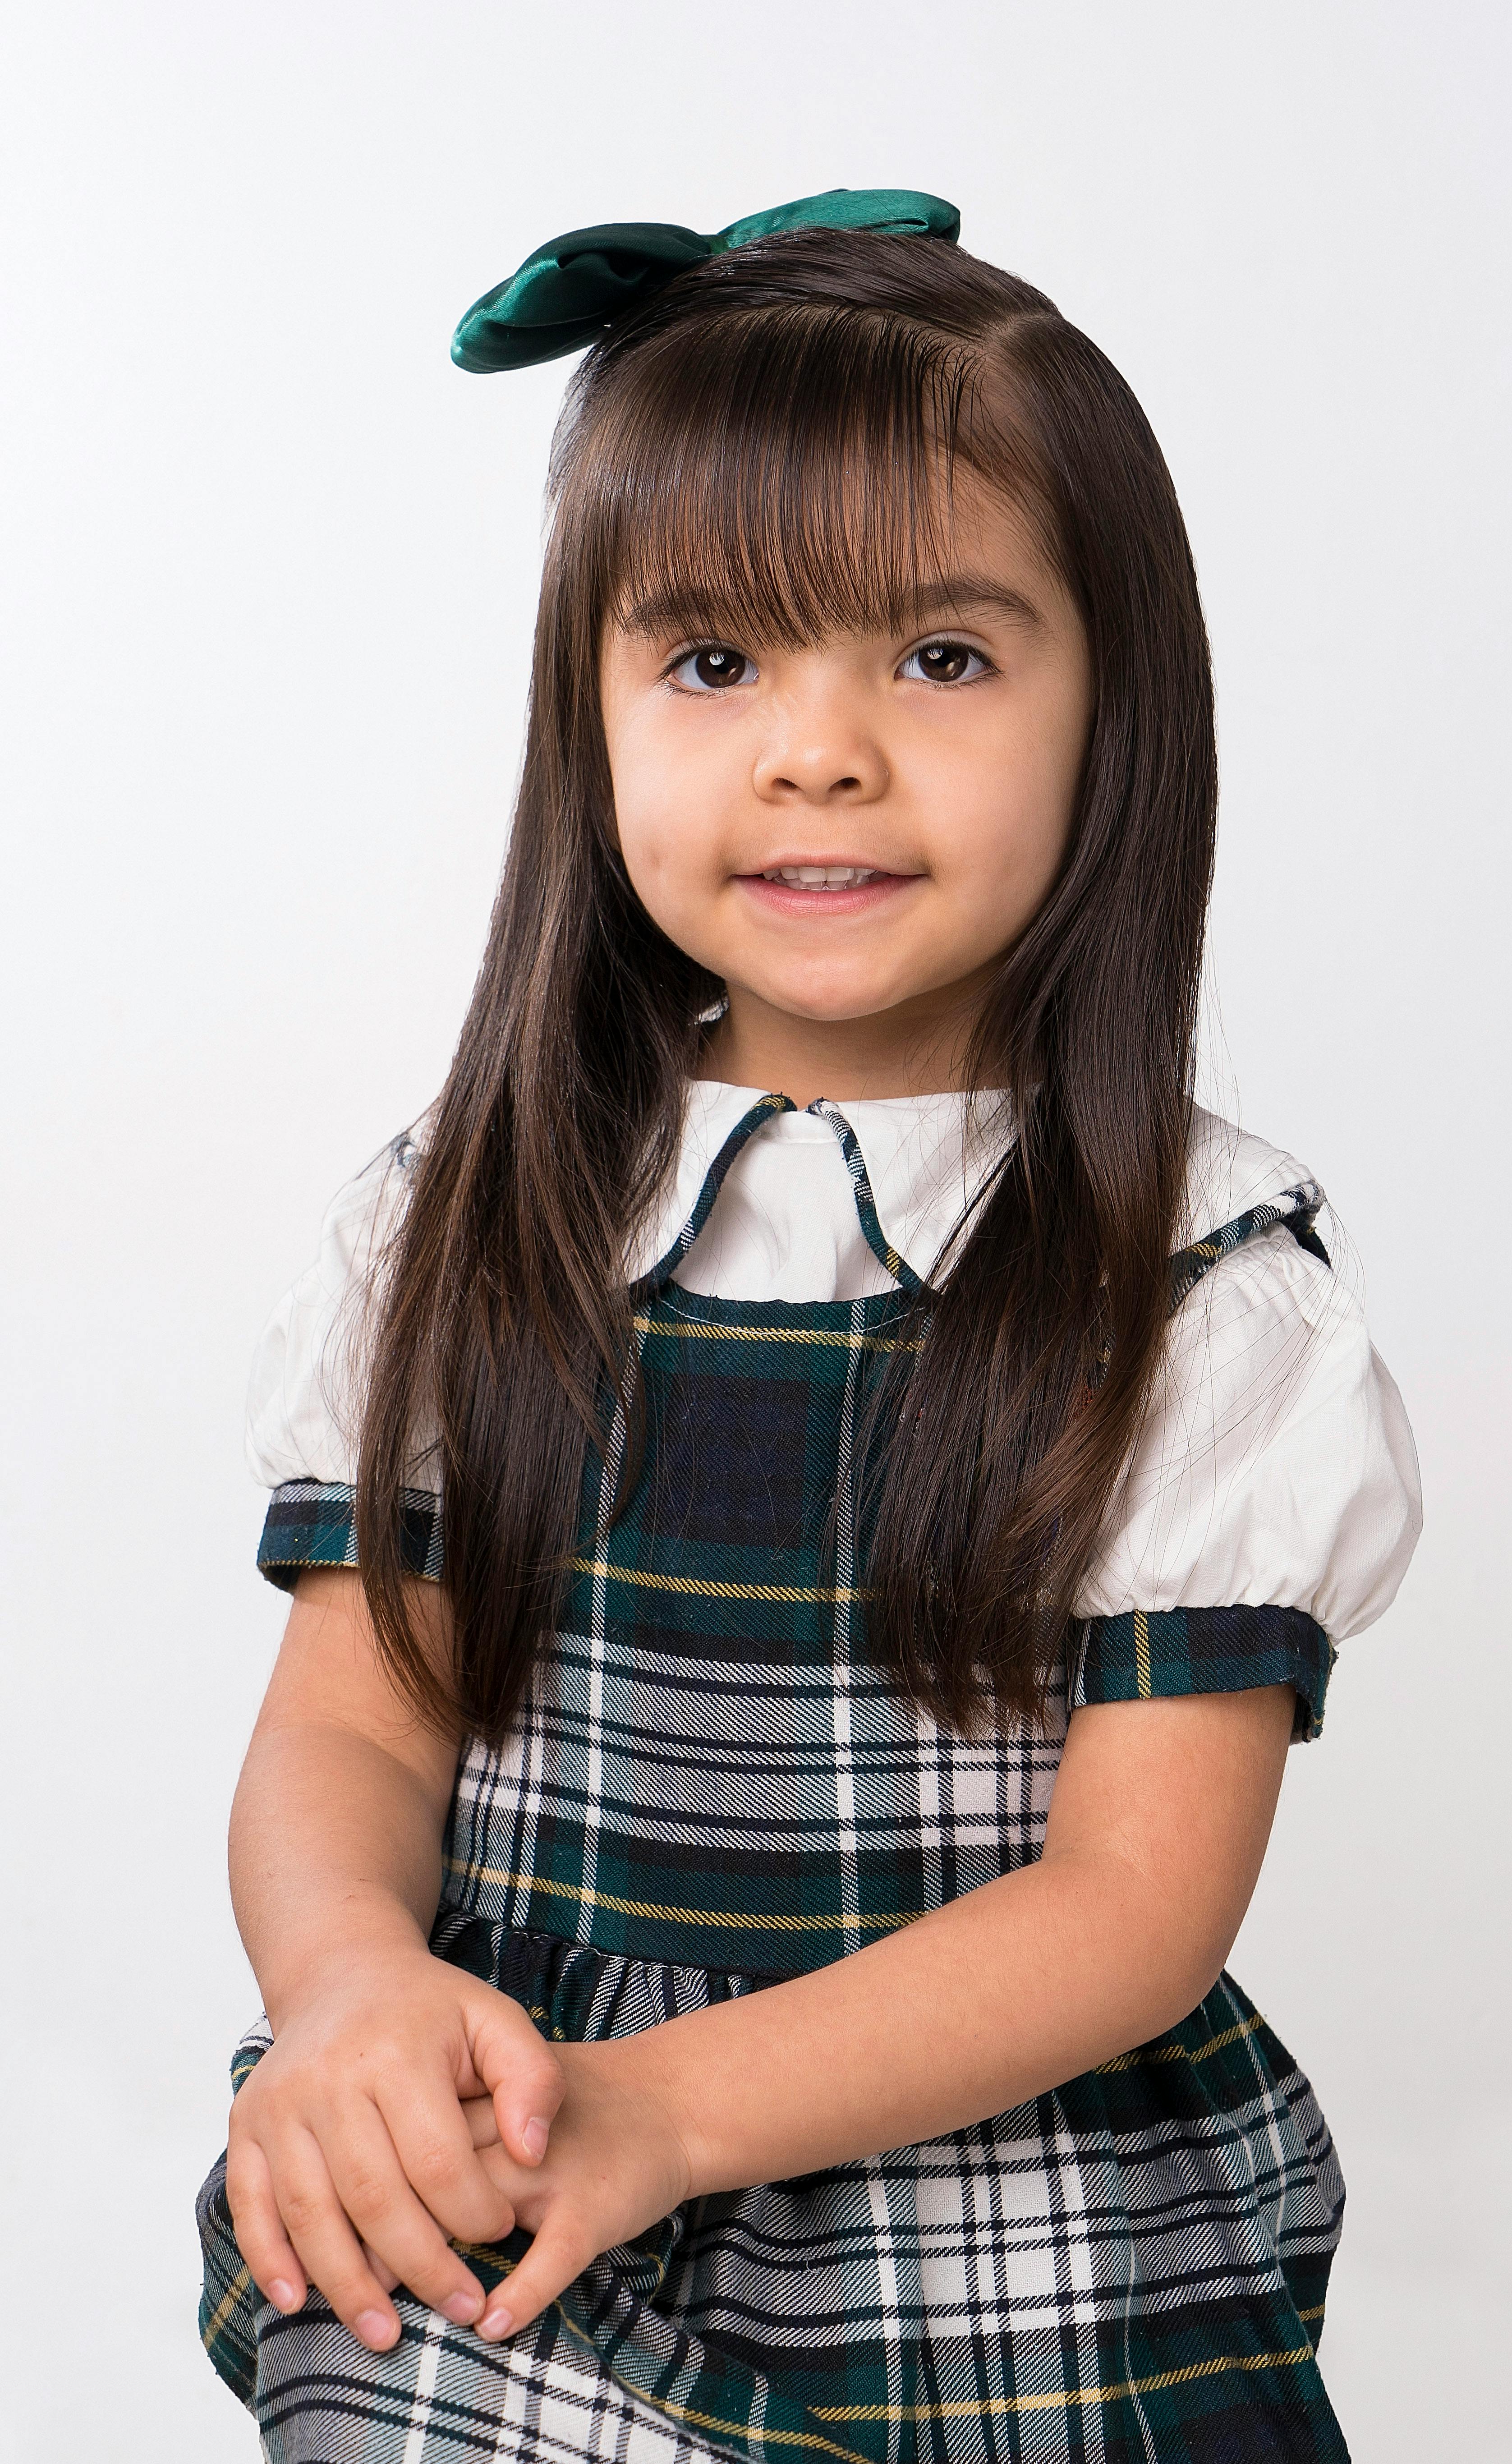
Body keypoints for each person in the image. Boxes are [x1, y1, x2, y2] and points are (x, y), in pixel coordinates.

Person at [197, 188, 1421, 2464]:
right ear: (586, 715)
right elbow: (353, 1725)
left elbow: (1129, 1904)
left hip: (995, 2250)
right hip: (506, 2172)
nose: (817, 753)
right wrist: (351, 1980)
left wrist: (668, 2110)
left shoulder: (1185, 1297)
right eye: (712, 663)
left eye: (938, 657)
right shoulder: (466, 1228)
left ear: (1112, 706)